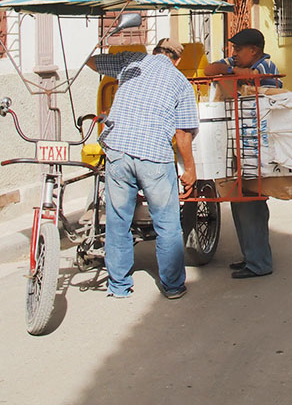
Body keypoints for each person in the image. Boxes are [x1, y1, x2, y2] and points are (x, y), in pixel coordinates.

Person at [87, 38, 198, 299]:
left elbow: (92, 62)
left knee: (118, 220)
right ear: (177, 60)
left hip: (118, 150)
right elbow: (183, 135)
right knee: (168, 223)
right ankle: (172, 286)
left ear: (155, 51)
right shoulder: (180, 82)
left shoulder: (131, 61)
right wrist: (189, 170)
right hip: (154, 156)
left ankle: (118, 286)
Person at [204, 28, 282, 279]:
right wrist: (231, 69)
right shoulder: (235, 63)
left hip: (259, 144)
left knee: (252, 205)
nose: (233, 54)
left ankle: (259, 263)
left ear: (255, 50)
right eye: (233, 50)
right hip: (240, 140)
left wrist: (235, 72)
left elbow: (253, 77)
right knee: (239, 203)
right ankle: (251, 257)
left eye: (238, 49)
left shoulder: (267, 65)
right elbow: (209, 70)